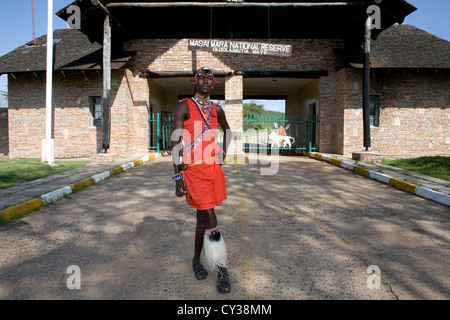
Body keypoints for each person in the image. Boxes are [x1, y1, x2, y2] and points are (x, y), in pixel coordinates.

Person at [171, 67, 232, 293]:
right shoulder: (183, 106)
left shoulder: (218, 109)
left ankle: (196, 259)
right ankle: (223, 270)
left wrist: (222, 154)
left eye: (210, 78)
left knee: (202, 218)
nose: (206, 81)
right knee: (211, 218)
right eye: (201, 77)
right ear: (194, 81)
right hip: (194, 173)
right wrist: (178, 176)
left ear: (214, 83)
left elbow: (229, 131)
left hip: (213, 171)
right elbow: (176, 144)